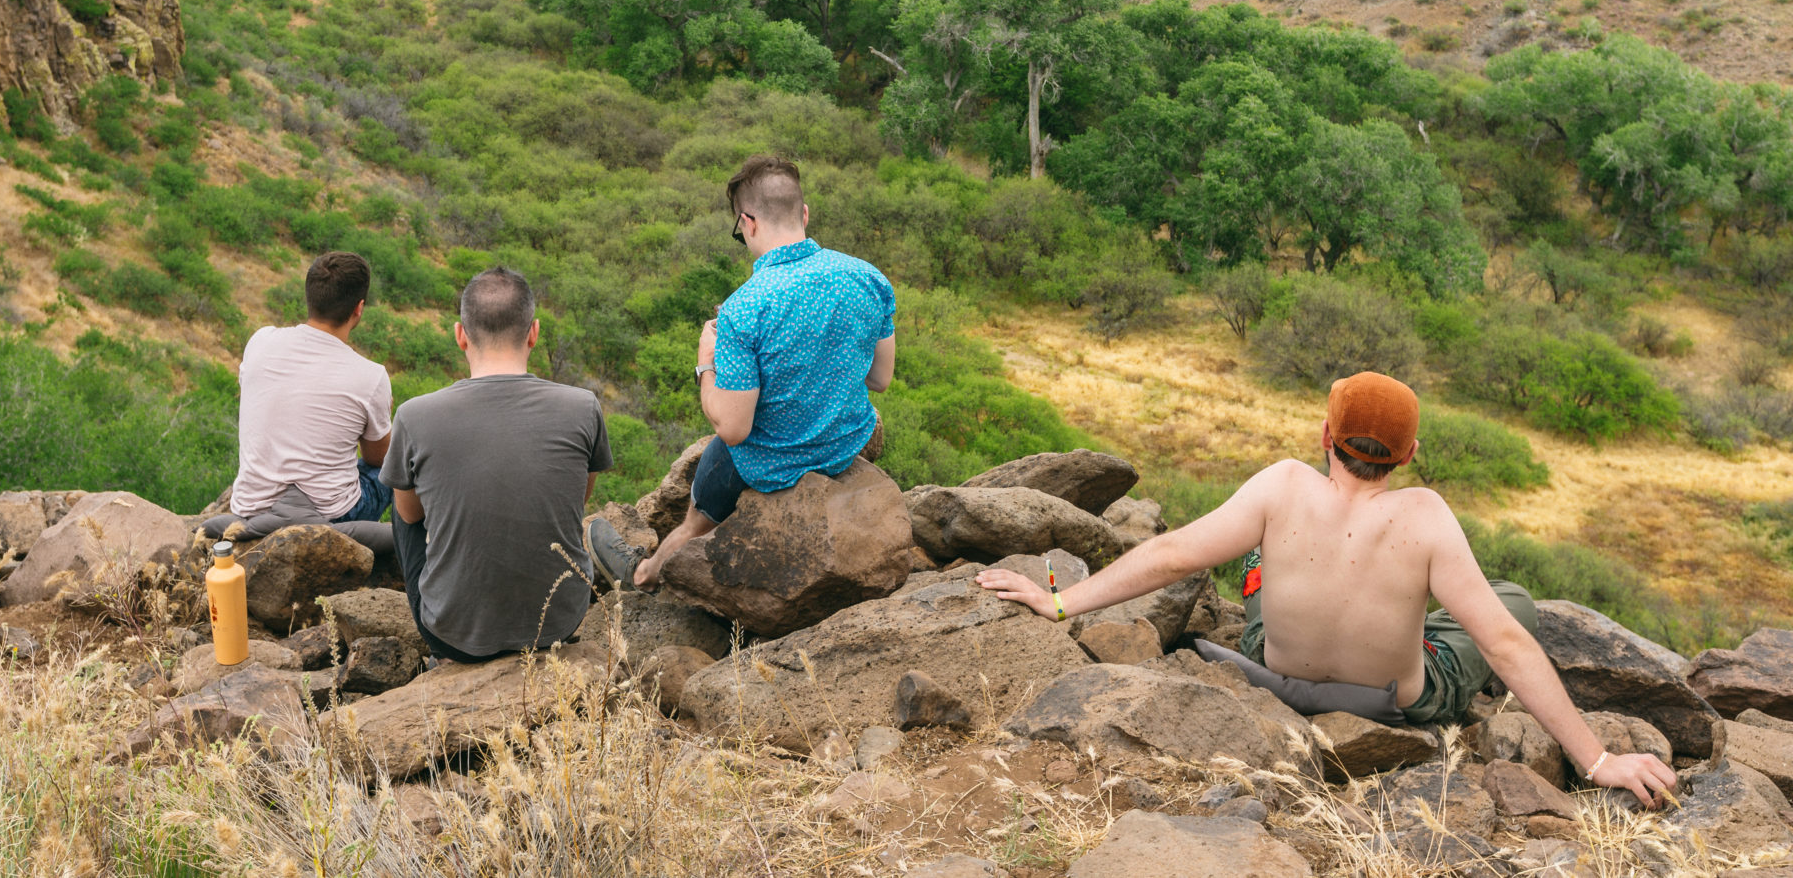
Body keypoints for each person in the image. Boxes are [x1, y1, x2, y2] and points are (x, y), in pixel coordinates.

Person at [976, 371, 1678, 808]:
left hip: (1272, 666)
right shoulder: (1425, 514)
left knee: (1255, 543)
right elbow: (1503, 638)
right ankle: (1409, 636)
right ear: (1405, 455)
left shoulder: (1282, 484)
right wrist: (1598, 757)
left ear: (1325, 434)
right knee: (1513, 596)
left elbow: (1173, 553)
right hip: (1391, 700)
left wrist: (1060, 600)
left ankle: (1271, 571)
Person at [584, 155, 896, 591]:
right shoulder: (870, 279)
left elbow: (732, 428)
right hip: (842, 446)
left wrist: (706, 361)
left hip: (768, 464)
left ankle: (644, 573)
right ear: (803, 214)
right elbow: (880, 378)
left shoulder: (743, 308)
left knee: (699, 511)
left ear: (748, 223)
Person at [381, 266, 613, 662]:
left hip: (452, 636)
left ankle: (450, 620)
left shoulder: (414, 415)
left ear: (460, 336)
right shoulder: (583, 407)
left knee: (400, 498)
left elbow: (409, 513)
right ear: (534, 333)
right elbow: (580, 497)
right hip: (559, 622)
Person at [206, 251, 394, 551]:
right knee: (399, 464)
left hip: (251, 507)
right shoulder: (370, 376)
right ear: (358, 309)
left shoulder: (260, 341)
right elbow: (379, 460)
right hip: (334, 514)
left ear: (310, 299)